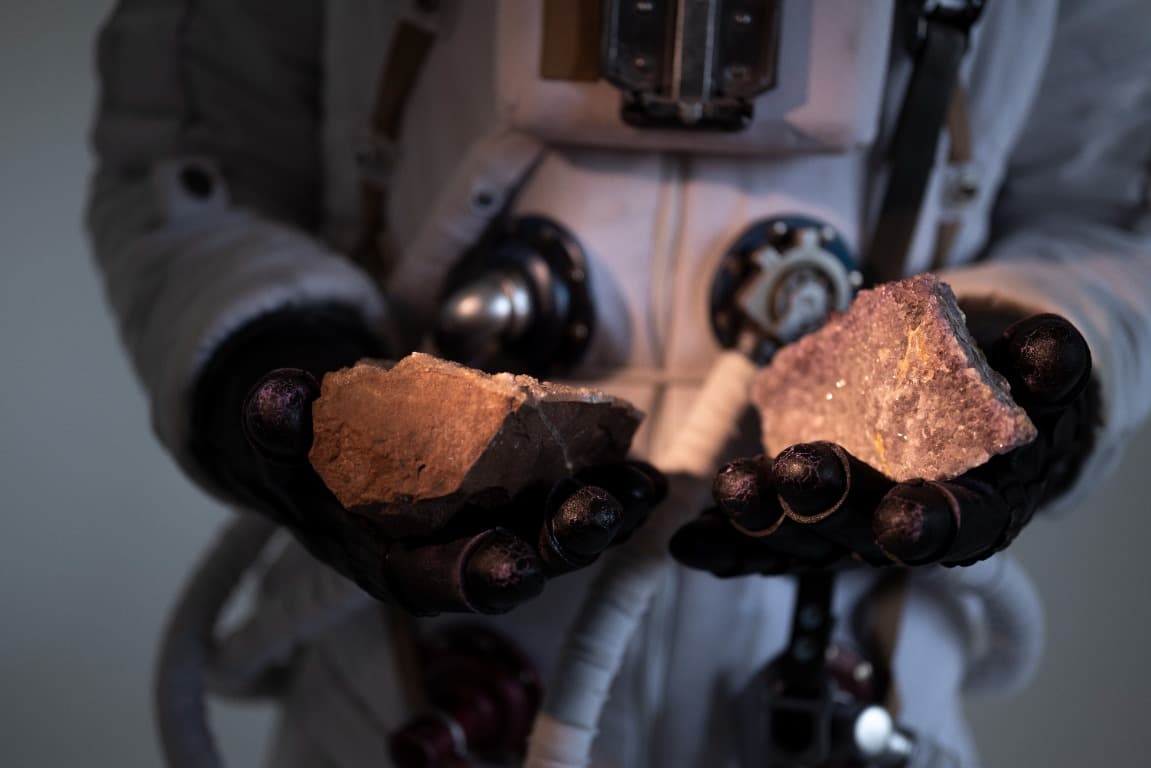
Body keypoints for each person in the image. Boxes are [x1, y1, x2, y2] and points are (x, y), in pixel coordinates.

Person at [86, 1, 1151, 766]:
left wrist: (1031, 369)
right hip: (403, 677)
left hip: (848, 664)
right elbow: (193, 155)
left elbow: (1106, 203)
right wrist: (262, 353)